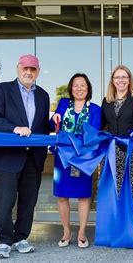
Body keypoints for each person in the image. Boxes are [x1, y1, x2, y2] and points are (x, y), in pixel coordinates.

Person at [0, 54, 51, 259]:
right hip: (8, 157)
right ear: (18, 69)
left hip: (34, 158)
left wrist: (55, 122)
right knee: (5, 202)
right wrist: (14, 128)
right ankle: (4, 240)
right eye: (26, 68)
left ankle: (21, 238)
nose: (29, 72)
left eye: (33, 69)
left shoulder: (43, 95)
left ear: (38, 72)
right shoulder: (2, 90)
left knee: (28, 201)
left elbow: (40, 127)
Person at [50, 73, 101, 249]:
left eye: (83, 85)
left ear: (88, 88)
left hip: (83, 158)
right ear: (71, 88)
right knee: (62, 195)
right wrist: (54, 118)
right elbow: (53, 123)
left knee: (83, 195)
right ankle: (66, 232)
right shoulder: (63, 104)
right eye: (75, 85)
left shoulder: (95, 109)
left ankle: (81, 232)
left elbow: (93, 132)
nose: (79, 88)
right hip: (62, 157)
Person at [101, 65, 133, 219]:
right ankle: (117, 228)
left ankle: (131, 229)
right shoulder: (107, 101)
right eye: (117, 77)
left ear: (129, 80)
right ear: (112, 81)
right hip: (111, 154)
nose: (120, 80)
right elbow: (101, 126)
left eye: (124, 77)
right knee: (114, 191)